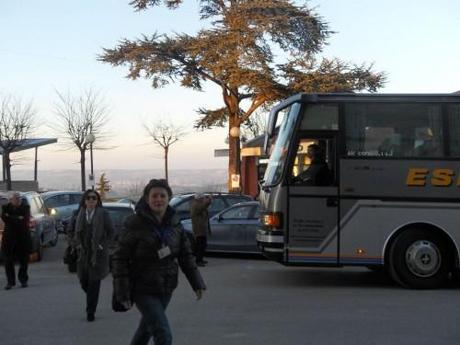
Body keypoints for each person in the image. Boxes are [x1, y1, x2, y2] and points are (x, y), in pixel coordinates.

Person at [111, 179, 206, 345]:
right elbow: (119, 258)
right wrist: (122, 292)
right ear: (147, 199)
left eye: (163, 196)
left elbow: (185, 256)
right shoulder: (134, 223)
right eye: (154, 196)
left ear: (169, 198)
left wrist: (197, 283)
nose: (158, 199)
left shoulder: (175, 223)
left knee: (146, 329)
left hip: (166, 286)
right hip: (142, 287)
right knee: (163, 334)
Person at [68, 190, 114, 322]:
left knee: (94, 282)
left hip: (97, 254)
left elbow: (111, 232)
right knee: (83, 281)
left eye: (94, 198)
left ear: (98, 200)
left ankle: (90, 311)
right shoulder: (77, 214)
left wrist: (103, 245)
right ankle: (92, 298)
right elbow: (70, 231)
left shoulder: (103, 214)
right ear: (84, 200)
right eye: (88, 198)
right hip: (82, 254)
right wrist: (74, 243)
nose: (91, 200)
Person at [1, 192, 31, 290]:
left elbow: (24, 219)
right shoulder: (5, 207)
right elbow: (4, 218)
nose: (17, 200)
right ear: (10, 200)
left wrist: (10, 217)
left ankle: (23, 280)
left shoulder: (26, 207)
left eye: (18, 198)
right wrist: (17, 217)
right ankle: (10, 282)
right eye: (15, 199)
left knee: (23, 260)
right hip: (8, 238)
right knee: (8, 261)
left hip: (22, 237)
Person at [190, 193, 212, 267]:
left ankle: (200, 259)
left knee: (203, 245)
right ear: (199, 198)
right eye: (202, 198)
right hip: (198, 228)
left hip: (202, 228)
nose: (203, 199)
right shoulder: (196, 205)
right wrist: (208, 201)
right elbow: (202, 208)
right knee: (200, 245)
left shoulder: (199, 204)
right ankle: (198, 260)